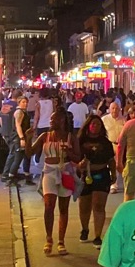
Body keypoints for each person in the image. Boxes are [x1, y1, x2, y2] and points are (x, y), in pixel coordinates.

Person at [31, 109, 79, 255]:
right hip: (49, 172)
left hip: (65, 172)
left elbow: (78, 157)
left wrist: (69, 152)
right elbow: (29, 152)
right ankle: (49, 238)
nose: (51, 122)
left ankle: (61, 241)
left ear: (62, 121)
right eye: (51, 120)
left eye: (54, 119)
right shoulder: (45, 136)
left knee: (63, 208)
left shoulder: (71, 137)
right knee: (48, 206)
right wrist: (27, 139)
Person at [76, 114, 117, 247]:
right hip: (85, 175)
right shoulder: (80, 141)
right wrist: (79, 165)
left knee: (99, 205)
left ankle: (98, 235)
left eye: (99, 124)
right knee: (84, 206)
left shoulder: (105, 143)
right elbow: (73, 158)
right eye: (93, 124)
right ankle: (85, 229)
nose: (96, 127)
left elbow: (111, 160)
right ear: (88, 125)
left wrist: (113, 174)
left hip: (101, 174)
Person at [103, 101, 126, 193]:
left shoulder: (124, 120)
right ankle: (113, 184)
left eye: (117, 108)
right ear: (109, 109)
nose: (115, 110)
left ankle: (118, 183)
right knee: (111, 164)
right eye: (113, 108)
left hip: (120, 145)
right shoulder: (104, 119)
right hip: (109, 145)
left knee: (119, 164)